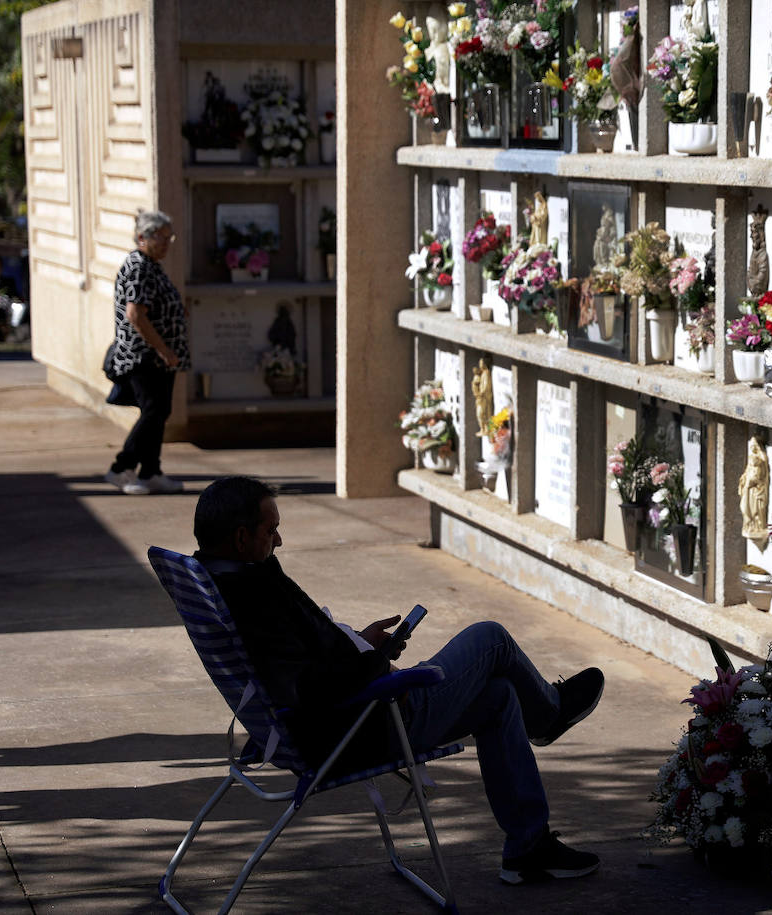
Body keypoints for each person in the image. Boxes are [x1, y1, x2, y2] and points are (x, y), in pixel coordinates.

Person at [192, 476, 604, 884]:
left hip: (347, 719)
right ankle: (549, 715)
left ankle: (528, 848)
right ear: (242, 538)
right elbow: (311, 688)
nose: (278, 542)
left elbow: (304, 662)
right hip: (368, 722)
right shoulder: (254, 596)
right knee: (491, 638)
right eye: (271, 531)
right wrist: (375, 663)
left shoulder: (227, 580)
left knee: (500, 695)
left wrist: (359, 643)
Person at [103, 210, 189, 495]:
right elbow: (136, 315)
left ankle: (151, 471)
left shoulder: (152, 265)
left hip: (159, 357)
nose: (166, 243)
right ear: (142, 237)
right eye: (160, 237)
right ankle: (121, 469)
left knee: (159, 411)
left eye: (169, 237)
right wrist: (163, 350)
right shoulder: (139, 266)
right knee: (153, 411)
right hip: (144, 357)